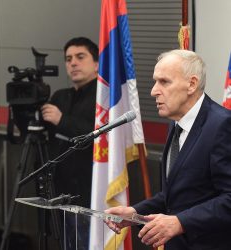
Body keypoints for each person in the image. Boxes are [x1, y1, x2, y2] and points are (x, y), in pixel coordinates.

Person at [105, 49, 231, 250]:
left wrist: (180, 222)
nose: (154, 91)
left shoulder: (222, 125)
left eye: (164, 82)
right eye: (155, 81)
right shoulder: (175, 123)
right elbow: (175, 195)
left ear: (191, 84)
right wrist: (135, 213)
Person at [41, 37, 98, 249]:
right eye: (68, 59)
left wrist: (61, 120)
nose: (73, 63)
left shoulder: (104, 98)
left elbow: (98, 136)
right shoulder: (60, 97)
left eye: (80, 57)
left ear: (96, 63)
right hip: (59, 191)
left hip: (90, 194)